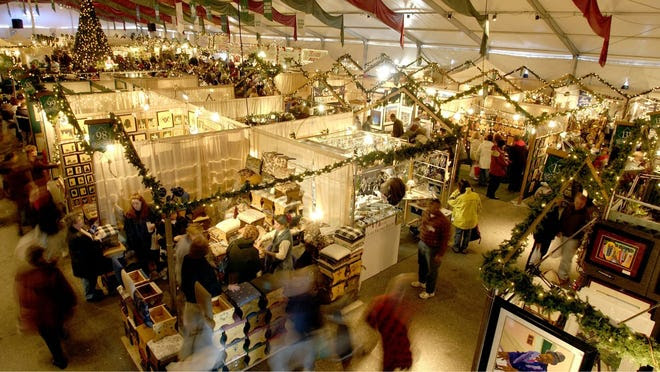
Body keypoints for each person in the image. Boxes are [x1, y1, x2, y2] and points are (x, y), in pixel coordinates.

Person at [15, 244, 76, 369]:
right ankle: (62, 333)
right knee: (58, 324)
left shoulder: (25, 278)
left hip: (41, 318)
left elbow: (24, 299)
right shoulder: (52, 273)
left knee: (51, 341)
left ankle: (60, 361)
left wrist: (25, 316)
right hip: (56, 310)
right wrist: (71, 301)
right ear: (41, 257)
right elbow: (65, 290)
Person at [180, 236, 222, 360]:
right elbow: (212, 290)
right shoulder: (204, 267)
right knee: (201, 335)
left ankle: (186, 356)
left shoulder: (186, 259)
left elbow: (185, 283)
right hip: (200, 306)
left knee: (189, 333)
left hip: (189, 302)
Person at [411, 199, 451, 299]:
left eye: (436, 207)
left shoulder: (444, 222)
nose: (432, 208)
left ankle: (430, 291)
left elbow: (445, 239)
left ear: (439, 207)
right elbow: (424, 223)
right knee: (422, 264)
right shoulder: (426, 213)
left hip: (433, 248)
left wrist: (440, 254)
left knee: (432, 270)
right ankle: (421, 281)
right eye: (430, 206)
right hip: (422, 243)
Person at [66, 213, 105, 302]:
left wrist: (94, 226)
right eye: (79, 220)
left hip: (84, 262)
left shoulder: (77, 230)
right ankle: (90, 296)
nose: (82, 221)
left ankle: (92, 292)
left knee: (89, 279)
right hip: (84, 264)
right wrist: (99, 239)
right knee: (88, 280)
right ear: (74, 224)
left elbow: (88, 234)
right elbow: (90, 246)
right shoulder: (77, 237)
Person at [557, 193, 590, 287]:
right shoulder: (569, 207)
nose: (578, 205)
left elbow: (584, 228)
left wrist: (579, 236)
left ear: (584, 203)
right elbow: (562, 218)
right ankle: (563, 275)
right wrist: (559, 229)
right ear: (575, 200)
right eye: (577, 202)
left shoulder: (585, 214)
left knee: (566, 258)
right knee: (563, 255)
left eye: (581, 204)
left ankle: (562, 276)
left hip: (574, 239)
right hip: (564, 234)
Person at [123, 193, 157, 274]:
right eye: (133, 204)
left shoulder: (148, 210)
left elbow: (155, 221)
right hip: (137, 242)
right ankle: (146, 273)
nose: (135, 206)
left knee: (153, 253)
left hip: (150, 237)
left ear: (142, 202)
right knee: (142, 258)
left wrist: (154, 226)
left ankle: (154, 269)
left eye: (137, 203)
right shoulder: (129, 215)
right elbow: (129, 232)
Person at [447, 179, 482, 254]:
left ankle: (456, 247)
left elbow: (450, 201)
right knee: (467, 235)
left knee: (458, 234)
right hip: (471, 220)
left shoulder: (461, 197)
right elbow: (479, 208)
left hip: (460, 220)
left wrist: (456, 192)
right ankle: (464, 248)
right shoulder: (476, 195)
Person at [497, 350, 565, 371]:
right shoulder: (534, 353)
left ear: (550, 363)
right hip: (505, 363)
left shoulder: (542, 370)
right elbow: (519, 354)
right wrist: (509, 354)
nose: (544, 358)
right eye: (546, 356)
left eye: (548, 359)